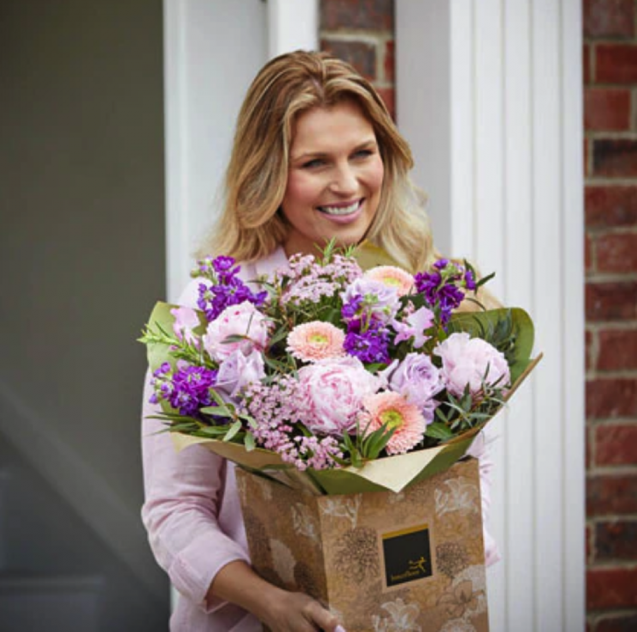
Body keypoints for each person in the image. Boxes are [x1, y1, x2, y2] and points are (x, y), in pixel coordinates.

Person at [141, 50, 498, 632]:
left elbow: (472, 477)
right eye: (315, 163)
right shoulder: (211, 314)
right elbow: (174, 512)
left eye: (363, 153)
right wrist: (270, 603)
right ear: (268, 173)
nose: (347, 183)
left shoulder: (428, 295)